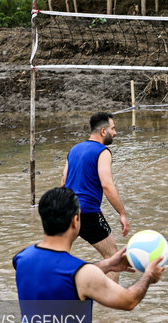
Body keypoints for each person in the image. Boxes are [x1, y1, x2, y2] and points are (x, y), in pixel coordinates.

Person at [14, 186, 164, 323]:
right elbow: (129, 300)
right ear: (75, 221)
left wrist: (106, 265)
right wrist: (148, 277)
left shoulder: (22, 258)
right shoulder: (82, 273)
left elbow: (59, 276)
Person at [61, 112, 130, 282]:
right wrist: (122, 213)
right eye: (112, 129)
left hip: (66, 210)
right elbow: (107, 184)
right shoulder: (102, 152)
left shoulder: (74, 149)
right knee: (112, 257)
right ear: (103, 131)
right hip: (88, 213)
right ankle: (110, 303)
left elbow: (63, 182)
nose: (115, 132)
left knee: (60, 257)